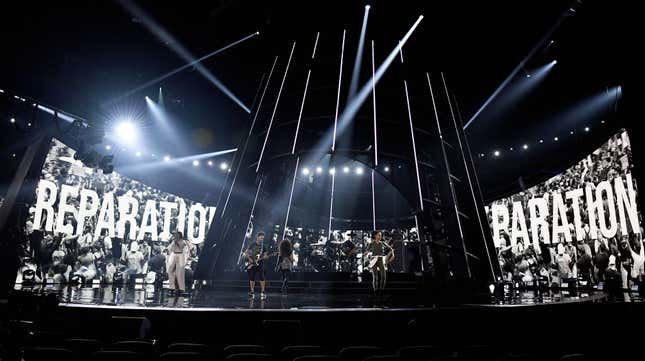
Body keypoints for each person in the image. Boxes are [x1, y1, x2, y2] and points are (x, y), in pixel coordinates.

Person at [244, 232, 269, 299]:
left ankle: (263, 291)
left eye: (263, 238)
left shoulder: (264, 246)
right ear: (257, 237)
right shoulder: (252, 244)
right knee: (252, 277)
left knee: (261, 277)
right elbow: (246, 253)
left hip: (260, 263)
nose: (261, 239)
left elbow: (266, 255)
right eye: (261, 238)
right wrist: (250, 259)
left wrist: (266, 257)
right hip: (252, 263)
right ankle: (252, 291)